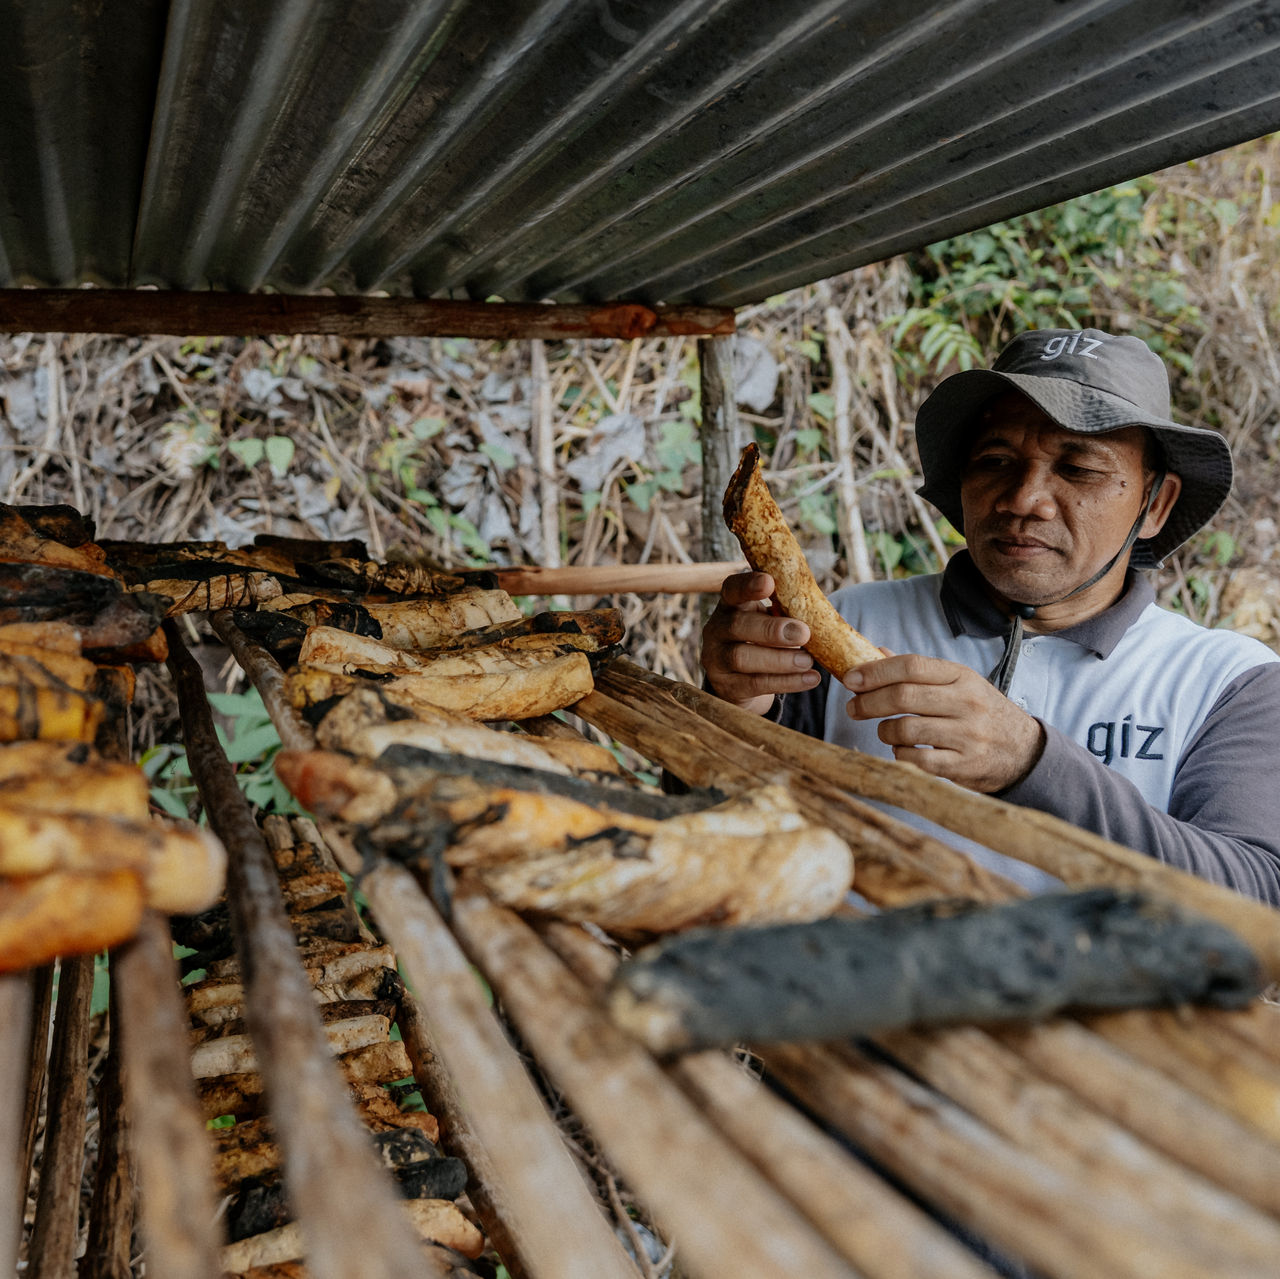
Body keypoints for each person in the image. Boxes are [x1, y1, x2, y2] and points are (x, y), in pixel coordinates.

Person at [701, 327, 1280, 904]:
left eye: (1079, 469)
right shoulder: (851, 622)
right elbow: (707, 826)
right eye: (996, 460)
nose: (1023, 499)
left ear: (1156, 503)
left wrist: (1033, 762)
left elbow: (1257, 895)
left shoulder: (1226, 682)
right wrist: (732, 706)